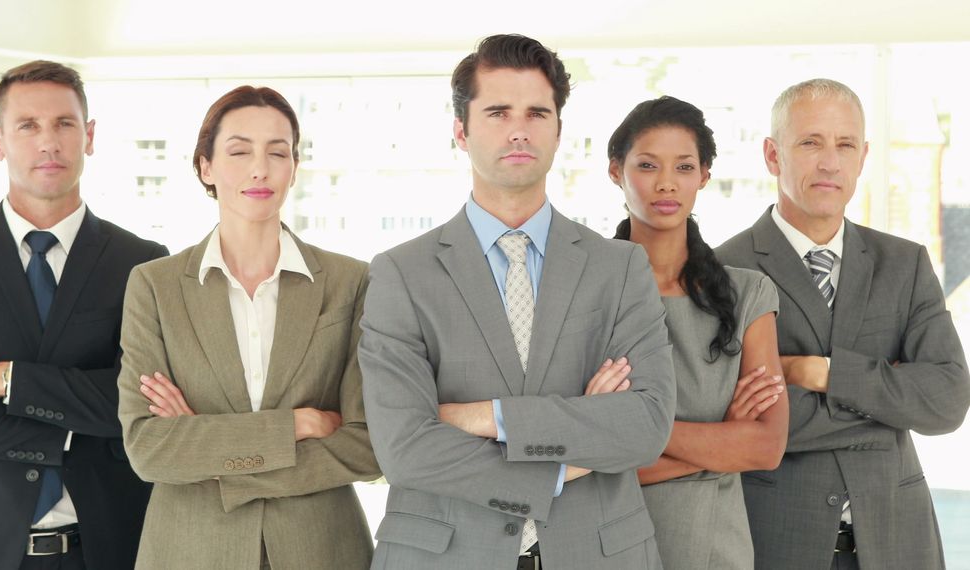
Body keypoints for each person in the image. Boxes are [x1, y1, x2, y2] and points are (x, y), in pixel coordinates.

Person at [358, 34, 675, 569]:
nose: (519, 129)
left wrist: (484, 417)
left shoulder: (619, 267)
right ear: (461, 131)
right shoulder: (399, 273)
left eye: (537, 112)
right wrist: (564, 459)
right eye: (498, 112)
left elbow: (644, 426)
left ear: (557, 130)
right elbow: (404, 447)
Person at [0, 60, 167, 569]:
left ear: (88, 136)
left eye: (64, 124)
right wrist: (70, 430)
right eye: (28, 126)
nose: (49, 142)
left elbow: (140, 403)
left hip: (107, 547)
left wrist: (7, 379)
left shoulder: (143, 263)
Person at [117, 85, 380, 570]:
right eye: (239, 151)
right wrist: (294, 426)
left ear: (293, 168)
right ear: (206, 167)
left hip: (322, 550)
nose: (260, 168)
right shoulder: (154, 286)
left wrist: (206, 447)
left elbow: (367, 446)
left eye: (277, 152)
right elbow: (149, 449)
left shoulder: (352, 281)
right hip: (190, 551)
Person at [716, 78, 970, 570]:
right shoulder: (724, 270)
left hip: (898, 542)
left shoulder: (905, 263)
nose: (829, 162)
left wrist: (821, 374)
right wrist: (887, 405)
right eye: (810, 142)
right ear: (773, 155)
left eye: (845, 144)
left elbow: (947, 400)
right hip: (777, 543)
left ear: (862, 157)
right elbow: (733, 418)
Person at [607, 96, 788, 569]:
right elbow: (578, 457)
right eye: (647, 165)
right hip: (603, 543)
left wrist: (631, 429)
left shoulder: (749, 294)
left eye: (684, 166)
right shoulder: (585, 296)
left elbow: (765, 447)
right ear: (615, 171)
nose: (666, 182)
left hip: (714, 550)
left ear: (704, 176)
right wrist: (723, 441)